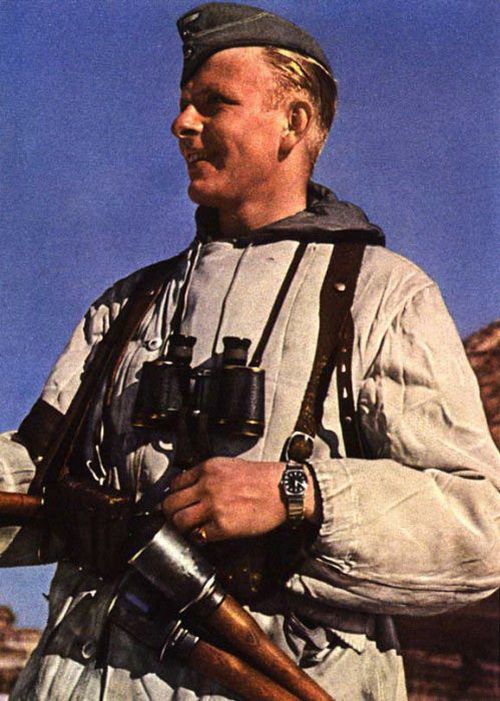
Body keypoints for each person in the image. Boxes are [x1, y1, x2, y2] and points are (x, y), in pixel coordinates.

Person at [1, 3, 499, 699]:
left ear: (292, 121)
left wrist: (299, 494)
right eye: (184, 104)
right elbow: (33, 476)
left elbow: (481, 528)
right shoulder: (126, 306)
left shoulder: (384, 295)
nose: (182, 123)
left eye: (214, 103)